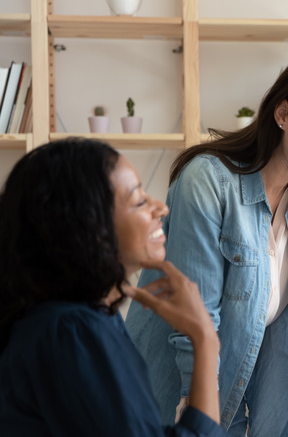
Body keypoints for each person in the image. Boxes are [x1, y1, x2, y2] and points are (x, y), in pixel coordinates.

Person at [125, 47, 288, 437]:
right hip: (174, 407)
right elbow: (195, 325)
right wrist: (200, 425)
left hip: (238, 407)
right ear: (283, 114)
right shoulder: (207, 183)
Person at [0, 138, 224, 436]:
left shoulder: (83, 320)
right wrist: (205, 339)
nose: (161, 209)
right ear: (90, 229)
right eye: (140, 200)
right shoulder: (72, 332)